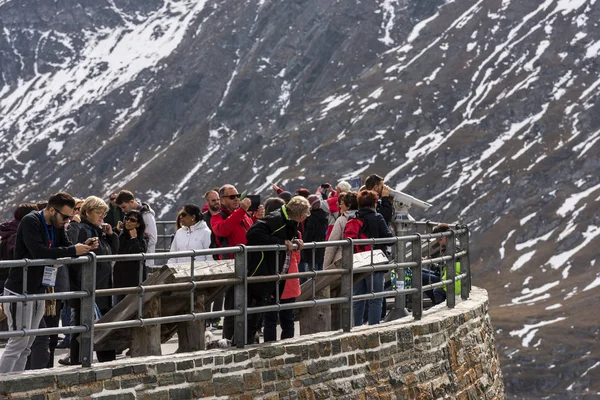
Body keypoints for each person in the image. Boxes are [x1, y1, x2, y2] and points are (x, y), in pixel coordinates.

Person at [0, 192, 96, 373]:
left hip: (39, 288)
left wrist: (83, 247)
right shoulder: (31, 221)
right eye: (65, 216)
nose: (67, 221)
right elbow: (38, 251)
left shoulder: (56, 223)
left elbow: (65, 245)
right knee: (18, 341)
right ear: (52, 210)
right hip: (20, 289)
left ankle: (16, 382)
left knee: (28, 342)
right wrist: (73, 250)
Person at [61, 196, 118, 366]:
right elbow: (74, 254)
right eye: (98, 213)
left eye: (104, 213)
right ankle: (79, 362)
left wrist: (111, 235)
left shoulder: (98, 231)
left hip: (101, 287)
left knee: (103, 326)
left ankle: (105, 361)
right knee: (83, 325)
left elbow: (112, 254)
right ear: (87, 212)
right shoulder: (83, 230)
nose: (102, 216)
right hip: (87, 288)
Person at [246, 196, 308, 343]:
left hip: (278, 272)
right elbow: (252, 234)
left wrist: (293, 242)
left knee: (273, 316)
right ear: (300, 214)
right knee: (261, 316)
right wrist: (280, 243)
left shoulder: (288, 220)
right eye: (306, 214)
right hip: (265, 270)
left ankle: (284, 346)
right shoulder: (276, 219)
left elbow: (281, 237)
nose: (306, 217)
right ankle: (254, 345)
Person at [211, 184, 255, 341]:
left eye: (238, 195)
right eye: (232, 197)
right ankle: (229, 340)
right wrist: (241, 211)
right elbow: (222, 230)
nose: (237, 199)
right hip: (232, 267)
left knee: (249, 305)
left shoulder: (243, 215)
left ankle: (247, 338)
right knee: (231, 306)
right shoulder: (218, 216)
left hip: (249, 266)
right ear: (222, 200)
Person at [346, 190, 394, 327]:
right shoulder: (377, 217)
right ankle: (373, 328)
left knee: (358, 298)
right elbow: (389, 240)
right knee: (375, 298)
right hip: (374, 262)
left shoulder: (352, 219)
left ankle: (356, 327)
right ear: (374, 203)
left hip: (357, 262)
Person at [0, 204, 39, 344]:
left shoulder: (7, 230)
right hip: (15, 280)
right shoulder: (18, 234)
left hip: (6, 277)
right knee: (19, 337)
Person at [113, 210, 147, 305]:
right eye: (127, 219)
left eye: (132, 220)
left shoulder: (142, 239)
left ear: (138, 224)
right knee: (117, 308)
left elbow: (139, 255)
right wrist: (116, 231)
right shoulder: (122, 235)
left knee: (132, 308)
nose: (128, 221)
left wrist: (134, 239)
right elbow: (114, 248)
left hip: (134, 280)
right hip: (119, 278)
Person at [115, 190, 157, 266]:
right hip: (129, 261)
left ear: (131, 202)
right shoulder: (128, 215)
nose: (123, 210)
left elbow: (152, 239)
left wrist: (139, 245)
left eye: (124, 207)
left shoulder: (147, 215)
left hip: (144, 261)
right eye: (121, 208)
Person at [323, 191, 358, 268]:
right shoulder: (363, 218)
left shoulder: (341, 220)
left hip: (343, 260)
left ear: (348, 205)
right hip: (361, 259)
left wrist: (326, 266)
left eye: (342, 204)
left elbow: (332, 244)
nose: (340, 206)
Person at [299, 195, 328, 281]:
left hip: (311, 249)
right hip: (321, 247)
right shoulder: (325, 216)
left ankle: (312, 292)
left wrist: (304, 245)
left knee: (311, 274)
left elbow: (309, 234)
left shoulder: (311, 218)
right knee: (320, 272)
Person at [431, 223, 461, 305]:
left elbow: (450, 270)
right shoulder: (454, 244)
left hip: (451, 281)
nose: (437, 241)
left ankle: (438, 306)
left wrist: (431, 263)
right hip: (447, 277)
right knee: (423, 273)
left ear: (445, 236)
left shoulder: (451, 249)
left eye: (439, 238)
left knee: (435, 289)